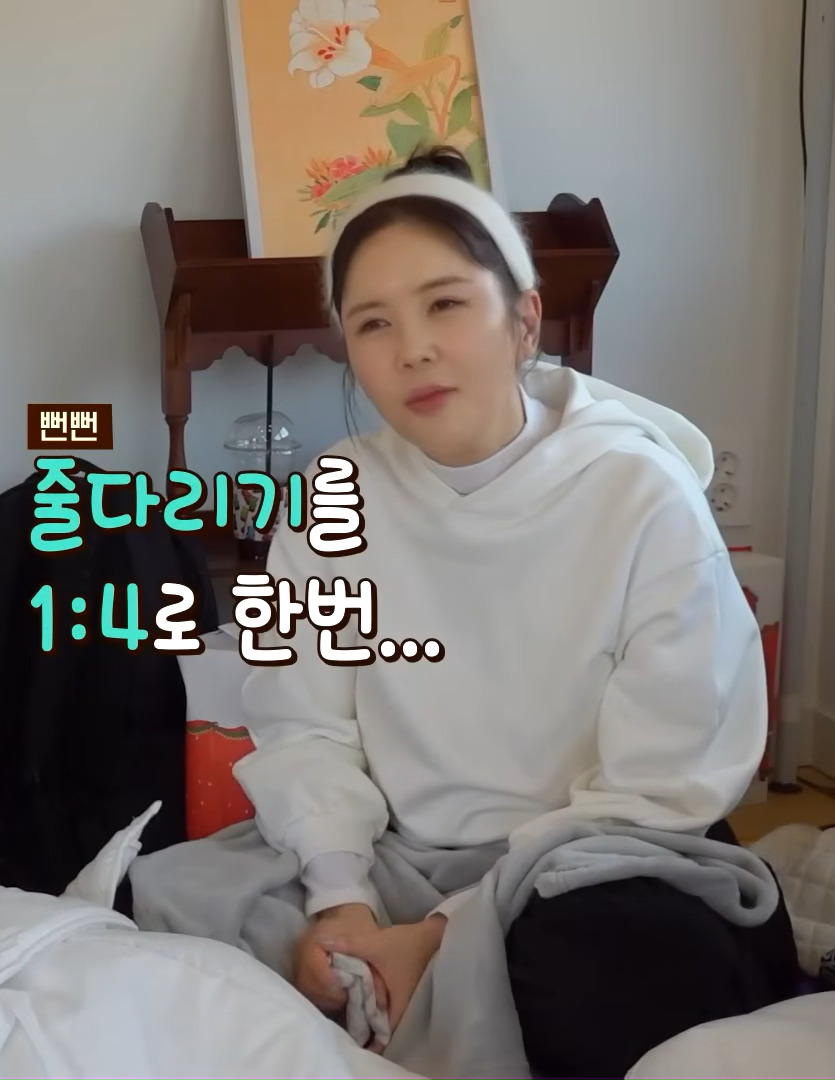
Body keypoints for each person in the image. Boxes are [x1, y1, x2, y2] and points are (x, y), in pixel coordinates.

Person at [129, 146, 800, 1079]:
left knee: (609, 968)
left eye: (445, 305)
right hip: (395, 856)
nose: (413, 349)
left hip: (599, 860)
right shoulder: (335, 497)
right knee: (160, 926)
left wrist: (445, 934)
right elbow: (303, 725)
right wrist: (342, 902)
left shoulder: (639, 494)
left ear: (524, 319)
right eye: (373, 323)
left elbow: (661, 786)